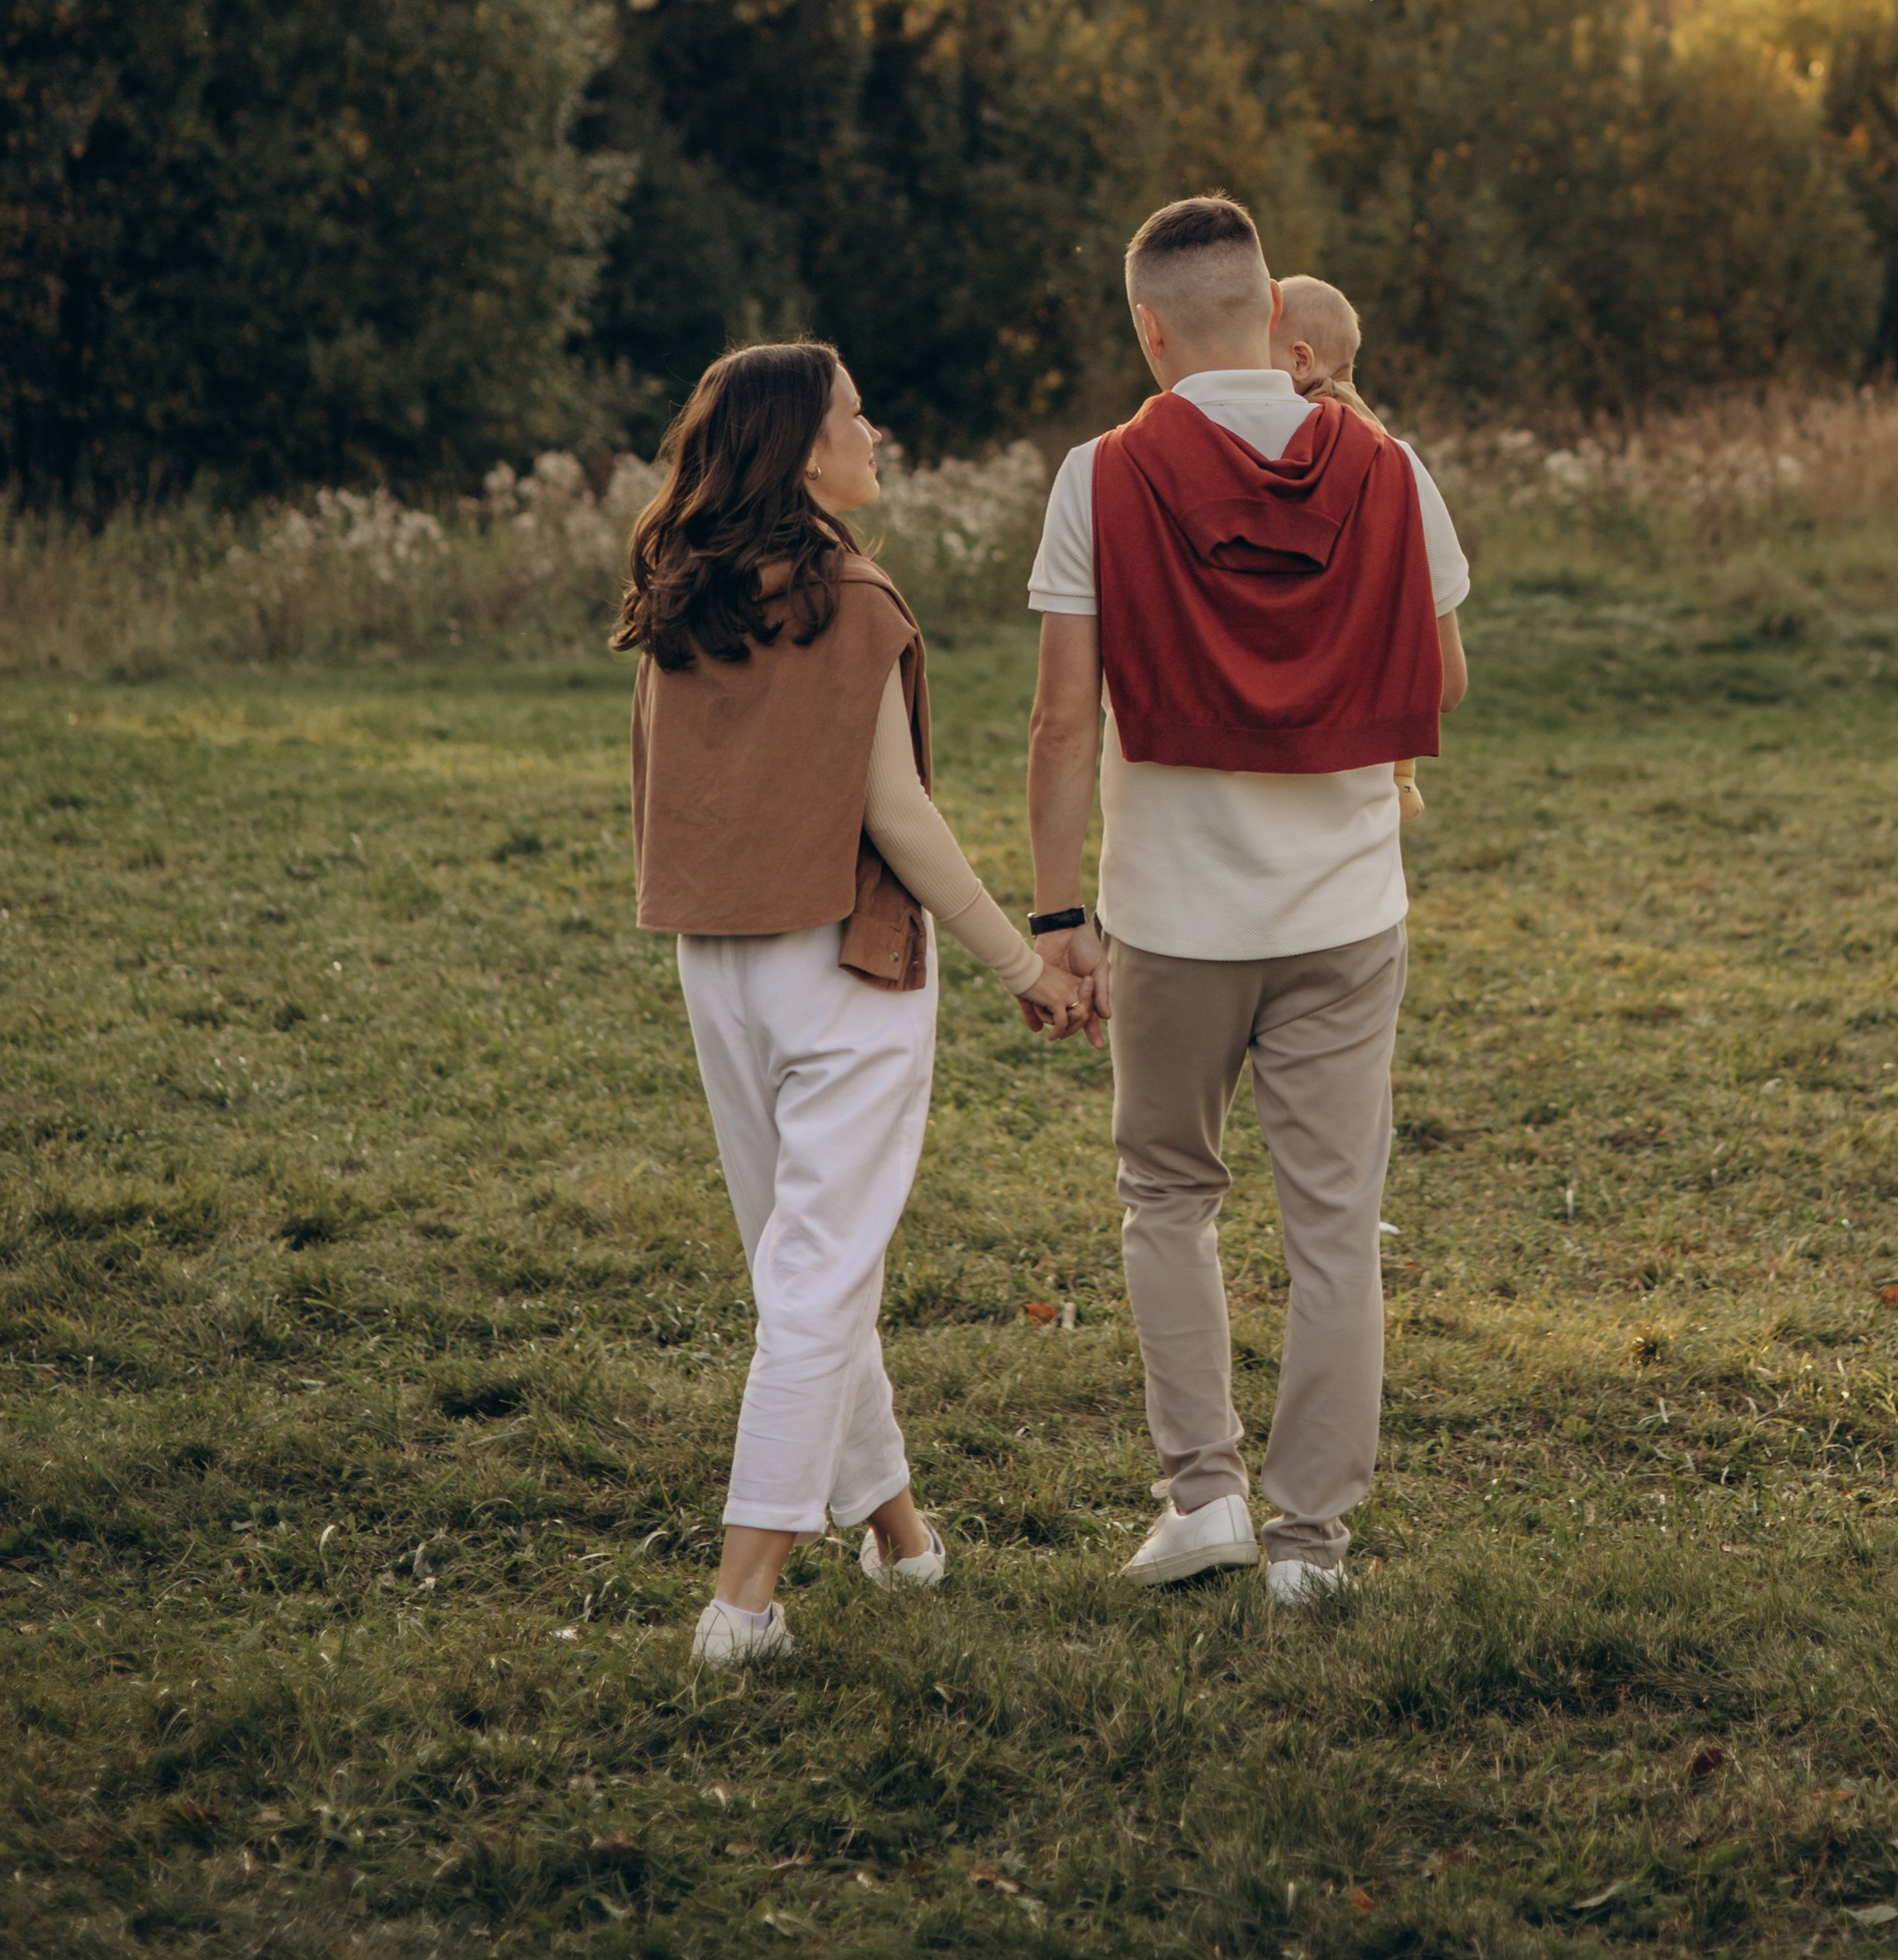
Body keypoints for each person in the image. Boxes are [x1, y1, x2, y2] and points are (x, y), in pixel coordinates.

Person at [1022, 198, 1470, 1606]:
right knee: (1334, 1225)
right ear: (1276, 308)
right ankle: (1310, 1548)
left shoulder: (1099, 474)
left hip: (1173, 916)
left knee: (1169, 1194)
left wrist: (1054, 919)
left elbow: (1058, 720)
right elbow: (1443, 679)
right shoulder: (1392, 468)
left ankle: (1202, 1495)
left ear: (1151, 329)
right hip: (1344, 910)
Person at [619, 340, 1089, 1663]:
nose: (874, 429)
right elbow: (900, 815)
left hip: (717, 963)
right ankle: (743, 1600)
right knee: (816, 1284)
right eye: (851, 414)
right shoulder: (851, 599)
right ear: (800, 447)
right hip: (842, 967)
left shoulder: (682, 593)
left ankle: (901, 1536)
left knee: (810, 1268)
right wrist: (1023, 959)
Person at [1271, 272, 1427, 821]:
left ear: (1299, 360)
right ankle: (1402, 776)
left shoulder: (1333, 422)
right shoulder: (1375, 432)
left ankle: (1403, 778)